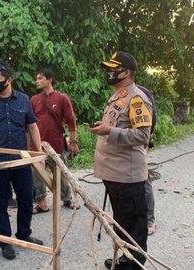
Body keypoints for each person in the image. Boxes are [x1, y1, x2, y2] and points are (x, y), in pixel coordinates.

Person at [0, 61, 44, 260]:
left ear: (9, 79)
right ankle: (5, 241)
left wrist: (39, 154)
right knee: (0, 202)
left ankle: (24, 234)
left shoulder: (23, 100)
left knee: (26, 198)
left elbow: (32, 127)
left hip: (21, 160)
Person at [89, 51, 153, 270]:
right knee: (121, 223)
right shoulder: (118, 95)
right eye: (108, 68)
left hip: (128, 175)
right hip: (114, 173)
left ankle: (134, 264)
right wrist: (105, 128)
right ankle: (124, 259)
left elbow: (143, 136)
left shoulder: (136, 98)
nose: (109, 72)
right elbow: (118, 127)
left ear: (127, 72)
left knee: (133, 226)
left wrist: (110, 131)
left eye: (114, 68)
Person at [29, 68, 80, 214]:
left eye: (40, 78)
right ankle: (42, 203)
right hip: (37, 144)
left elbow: (71, 121)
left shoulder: (62, 98)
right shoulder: (34, 99)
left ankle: (67, 198)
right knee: (37, 174)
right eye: (37, 78)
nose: (37, 81)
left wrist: (73, 142)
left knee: (61, 173)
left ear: (49, 80)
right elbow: (29, 124)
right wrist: (29, 145)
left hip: (56, 143)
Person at [137, 84, 157, 235]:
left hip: (138, 144)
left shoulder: (142, 93)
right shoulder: (118, 94)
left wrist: (146, 139)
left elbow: (152, 120)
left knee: (144, 180)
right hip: (120, 147)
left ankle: (149, 218)